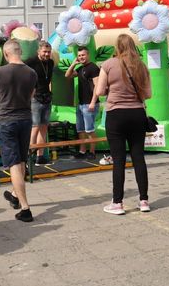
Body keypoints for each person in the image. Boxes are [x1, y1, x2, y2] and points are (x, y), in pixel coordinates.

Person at [90, 34, 151, 215]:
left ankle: (117, 203)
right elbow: (147, 94)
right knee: (139, 157)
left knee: (119, 160)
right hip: (137, 114)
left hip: (116, 114)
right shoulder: (142, 65)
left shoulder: (108, 64)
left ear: (117, 46)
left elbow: (100, 91)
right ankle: (144, 200)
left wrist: (112, 88)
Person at [0, 40, 37, 222]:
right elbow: (31, 94)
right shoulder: (31, 73)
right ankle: (14, 195)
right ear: (20, 51)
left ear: (5, 53)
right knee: (22, 160)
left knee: (14, 163)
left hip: (7, 120)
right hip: (26, 119)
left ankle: (25, 208)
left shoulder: (0, 72)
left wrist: (3, 99)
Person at [65, 46, 101, 161]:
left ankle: (92, 152)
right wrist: (73, 64)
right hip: (80, 104)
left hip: (89, 104)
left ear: (88, 55)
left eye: (83, 55)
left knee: (89, 129)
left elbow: (97, 86)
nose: (81, 57)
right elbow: (67, 75)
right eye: (79, 55)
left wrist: (93, 102)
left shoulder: (93, 68)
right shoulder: (80, 68)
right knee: (80, 129)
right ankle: (82, 151)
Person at [25, 41, 54, 166]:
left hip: (47, 97)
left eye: (48, 52)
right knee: (35, 128)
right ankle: (29, 157)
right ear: (38, 51)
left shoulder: (51, 63)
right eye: (44, 52)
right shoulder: (30, 62)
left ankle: (40, 157)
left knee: (43, 128)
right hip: (35, 98)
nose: (47, 54)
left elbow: (49, 79)